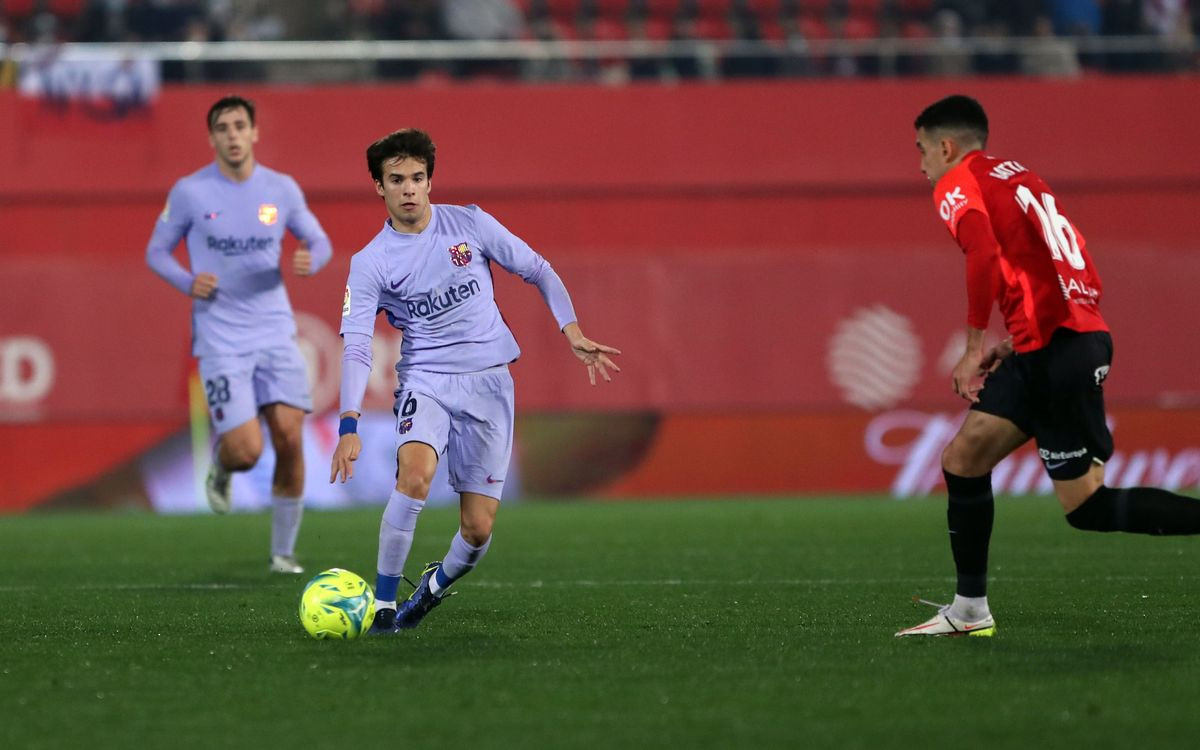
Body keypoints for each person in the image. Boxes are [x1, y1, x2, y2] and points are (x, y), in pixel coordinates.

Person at [896, 94, 1200, 638]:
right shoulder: (1023, 180)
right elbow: (1063, 263)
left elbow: (983, 255)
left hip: (1058, 352)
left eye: (921, 149)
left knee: (1086, 507)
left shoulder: (958, 182)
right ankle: (969, 611)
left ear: (946, 146)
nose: (919, 163)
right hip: (1058, 342)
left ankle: (969, 611)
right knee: (963, 460)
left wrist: (971, 347)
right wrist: (1013, 343)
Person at [329, 128, 620, 633]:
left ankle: (432, 588)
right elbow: (355, 345)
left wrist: (571, 330)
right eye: (396, 179)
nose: (409, 189)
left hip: (489, 383)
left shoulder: (471, 224)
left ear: (429, 180)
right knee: (414, 476)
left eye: (417, 178)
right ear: (379, 186)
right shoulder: (370, 262)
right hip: (427, 380)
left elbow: (539, 270)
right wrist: (349, 423)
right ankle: (382, 605)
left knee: (478, 528)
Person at [145, 95, 333, 574]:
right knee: (248, 451)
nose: (232, 135)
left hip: (274, 331)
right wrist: (189, 281)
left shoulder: (281, 189)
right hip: (221, 339)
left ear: (254, 133)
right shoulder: (190, 192)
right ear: (212, 138)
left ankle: (283, 553)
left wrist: (314, 256)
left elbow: (320, 239)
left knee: (290, 434)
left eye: (239, 125)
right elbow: (157, 252)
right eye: (222, 128)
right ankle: (223, 466)